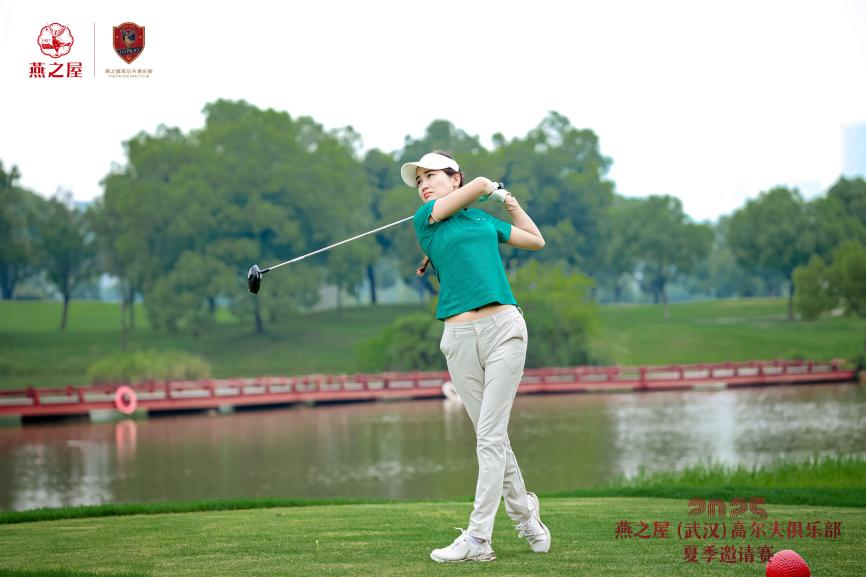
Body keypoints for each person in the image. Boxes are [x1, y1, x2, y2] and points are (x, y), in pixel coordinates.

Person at [401, 151, 551, 562]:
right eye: (419, 181)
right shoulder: (426, 219)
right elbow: (482, 185)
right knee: (492, 436)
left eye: (431, 175)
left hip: (505, 328)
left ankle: (478, 539)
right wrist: (489, 188)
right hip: (459, 337)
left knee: (489, 436)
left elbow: (535, 240)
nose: (423, 184)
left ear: (455, 178)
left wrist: (509, 201)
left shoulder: (483, 222)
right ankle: (525, 515)